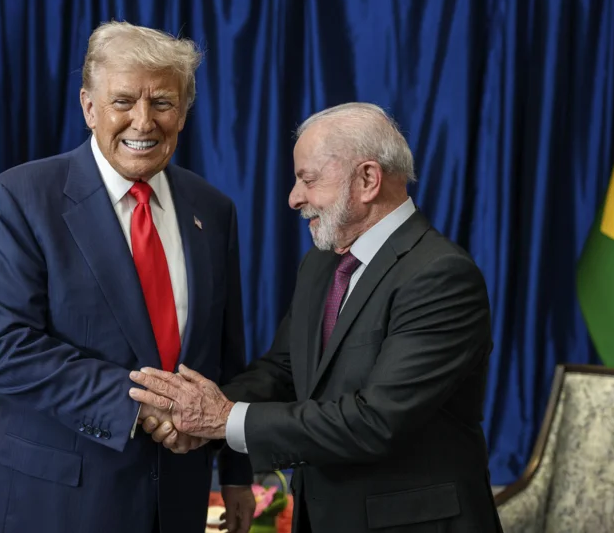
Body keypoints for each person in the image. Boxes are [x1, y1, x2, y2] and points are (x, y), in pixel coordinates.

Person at [129, 102, 504, 532]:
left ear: (367, 179)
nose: (293, 198)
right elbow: (284, 372)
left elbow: (376, 421)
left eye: (308, 180)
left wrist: (224, 418)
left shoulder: (440, 276)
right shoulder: (322, 263)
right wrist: (193, 411)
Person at [0, 21, 255, 533]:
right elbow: (3, 348)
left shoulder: (213, 209)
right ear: (89, 107)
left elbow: (225, 353)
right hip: (54, 500)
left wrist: (236, 472)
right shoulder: (18, 199)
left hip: (178, 498)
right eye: (123, 101)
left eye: (162, 103)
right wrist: (143, 407)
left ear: (183, 113)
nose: (143, 121)